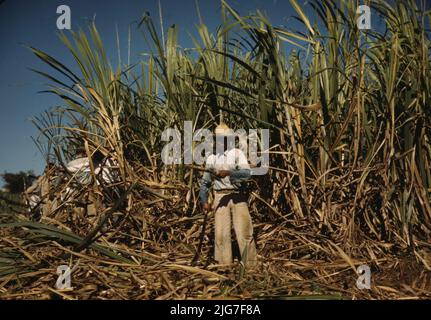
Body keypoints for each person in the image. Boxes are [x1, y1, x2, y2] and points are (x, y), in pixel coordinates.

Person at [199, 123, 257, 268]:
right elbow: (205, 182)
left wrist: (229, 173)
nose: (220, 141)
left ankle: (250, 265)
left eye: (223, 139)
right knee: (220, 234)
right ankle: (224, 264)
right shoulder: (212, 159)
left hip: (237, 196)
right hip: (220, 197)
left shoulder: (237, 154)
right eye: (218, 139)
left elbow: (247, 174)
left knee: (244, 231)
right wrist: (204, 200)